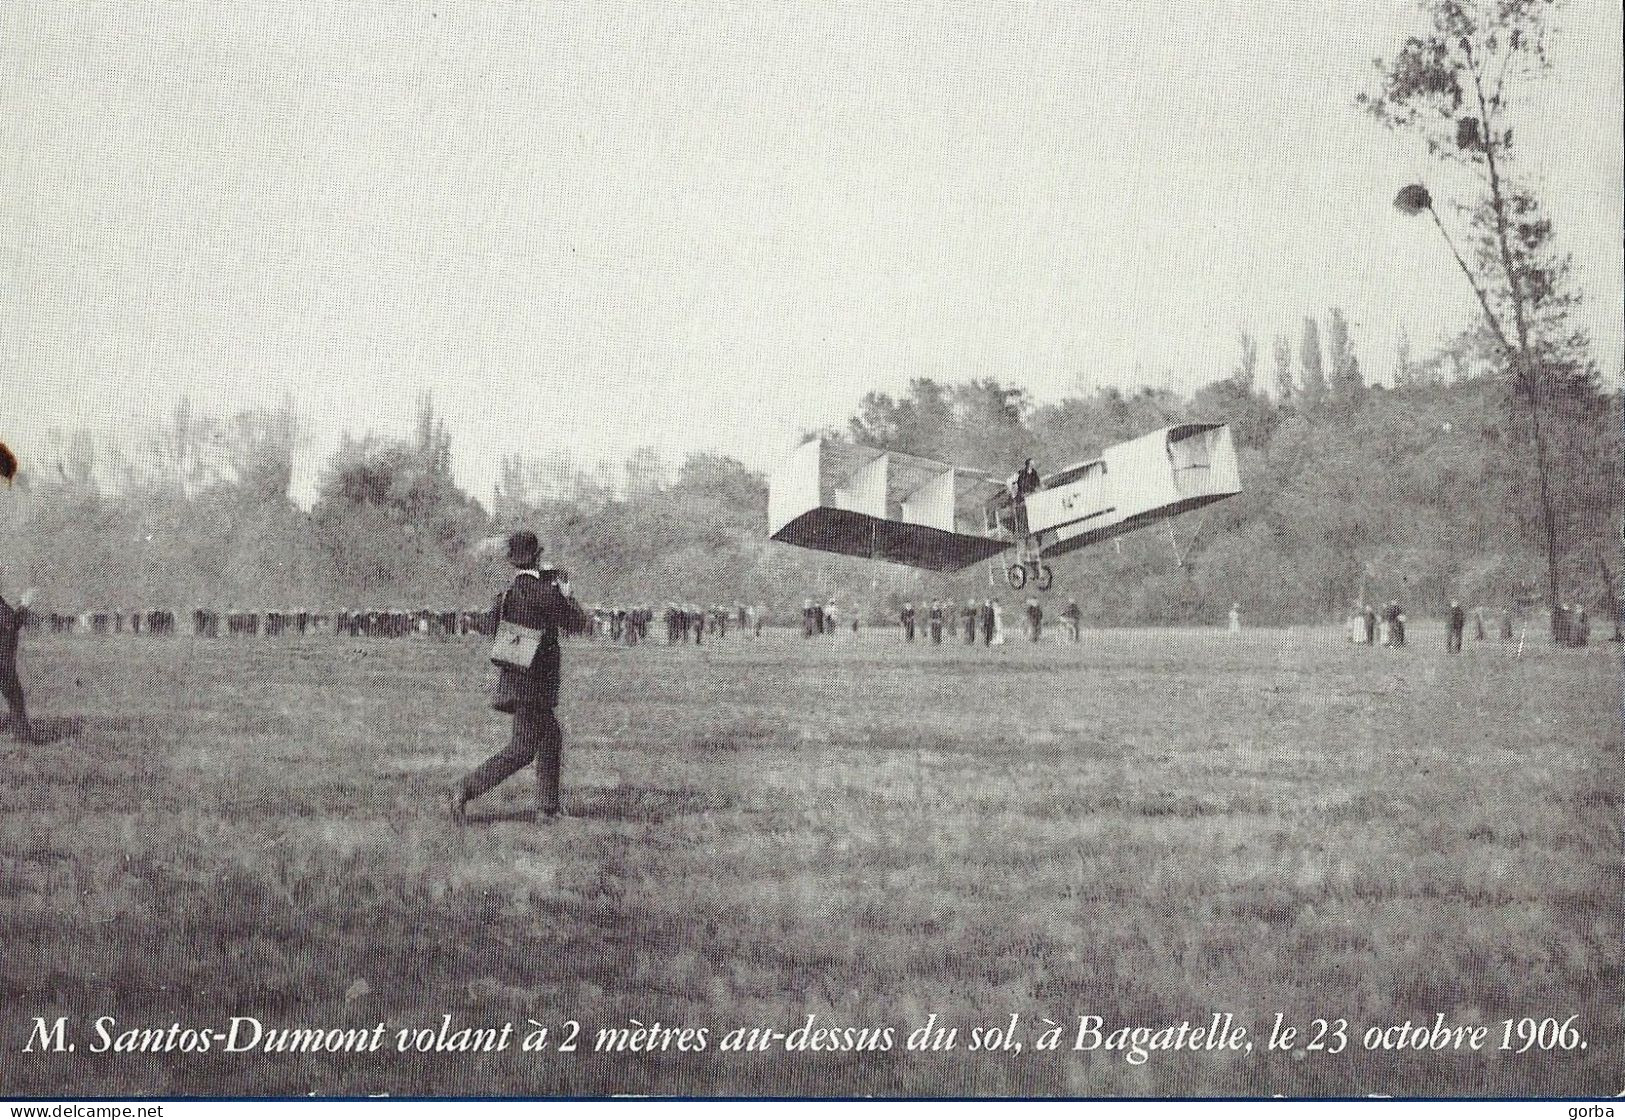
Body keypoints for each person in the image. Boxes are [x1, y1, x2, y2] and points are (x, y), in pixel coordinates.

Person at [451, 531, 585, 825]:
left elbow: (488, 625)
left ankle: (547, 808)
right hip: (536, 683)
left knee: (549, 738)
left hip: (515, 679)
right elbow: (577, 623)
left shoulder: (509, 593)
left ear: (514, 561)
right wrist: (566, 591)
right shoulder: (546, 592)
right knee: (523, 749)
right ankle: (466, 788)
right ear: (537, 557)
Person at [0, 583, 33, 741]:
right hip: (3, 663)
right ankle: (24, 738)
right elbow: (11, 624)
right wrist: (25, 605)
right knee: (15, 698)